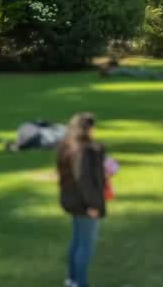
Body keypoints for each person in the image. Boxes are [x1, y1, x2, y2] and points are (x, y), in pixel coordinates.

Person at [57, 112, 106, 287]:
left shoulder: (67, 147)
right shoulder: (83, 151)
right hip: (84, 204)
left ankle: (72, 279)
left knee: (77, 240)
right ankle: (80, 283)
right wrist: (93, 205)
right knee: (86, 245)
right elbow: (84, 180)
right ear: (88, 129)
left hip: (71, 200)